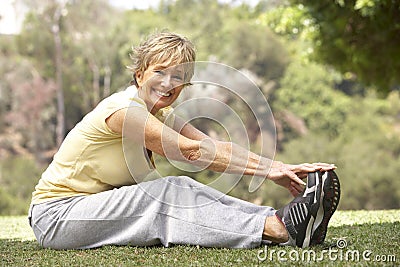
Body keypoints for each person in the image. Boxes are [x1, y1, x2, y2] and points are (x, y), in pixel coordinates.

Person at [28, 32, 340, 250]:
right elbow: (190, 152)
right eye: (159, 72)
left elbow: (216, 147)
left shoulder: (162, 114)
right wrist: (266, 172)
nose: (168, 83)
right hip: (57, 217)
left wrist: (280, 167)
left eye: (178, 76)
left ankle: (282, 221)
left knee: (181, 188)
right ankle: (280, 230)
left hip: (88, 212)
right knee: (167, 192)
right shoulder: (123, 111)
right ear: (139, 75)